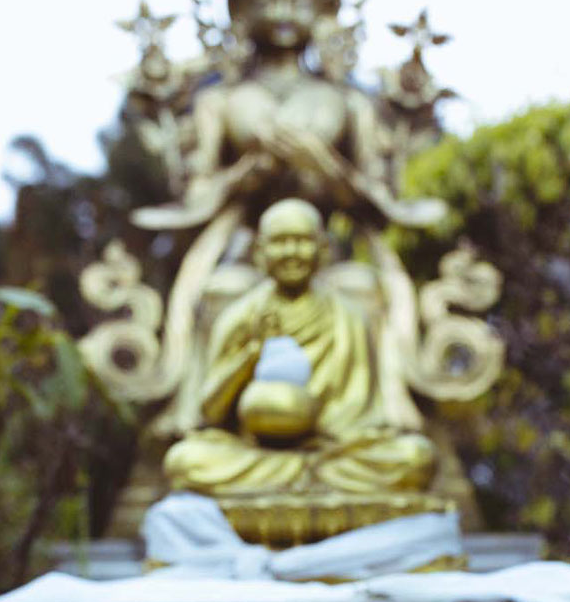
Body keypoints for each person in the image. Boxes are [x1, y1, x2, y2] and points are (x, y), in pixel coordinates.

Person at [163, 199, 436, 497]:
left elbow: (360, 417)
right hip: (256, 451)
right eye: (280, 242)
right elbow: (211, 414)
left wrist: (308, 424)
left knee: (415, 458)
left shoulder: (348, 317)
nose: (291, 253)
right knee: (184, 461)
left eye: (302, 242)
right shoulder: (239, 318)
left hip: (330, 453)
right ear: (259, 253)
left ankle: (290, 485)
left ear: (323, 250)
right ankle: (303, 486)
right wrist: (250, 356)